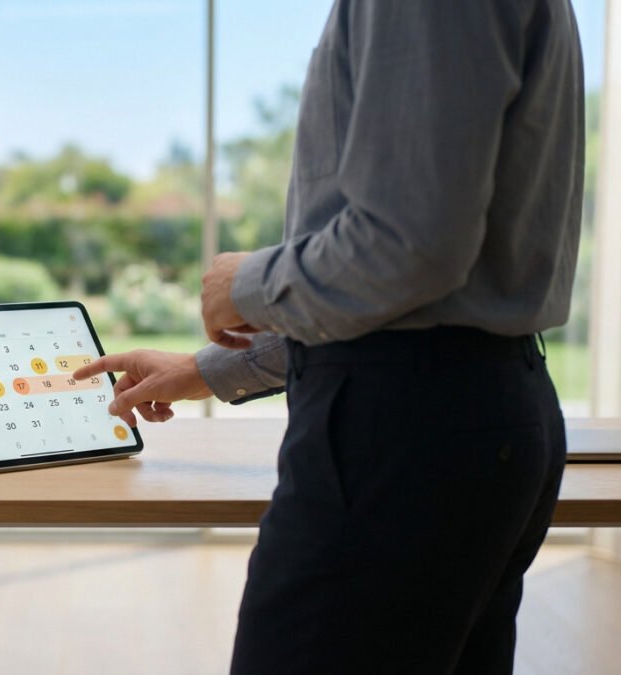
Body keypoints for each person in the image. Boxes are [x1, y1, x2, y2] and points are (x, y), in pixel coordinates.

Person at [74, 1, 584, 672]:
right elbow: (422, 297)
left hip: (401, 441)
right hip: (480, 418)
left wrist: (245, 283)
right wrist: (202, 370)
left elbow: (413, 245)